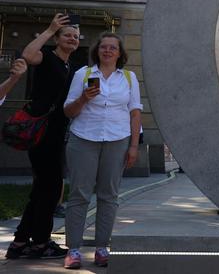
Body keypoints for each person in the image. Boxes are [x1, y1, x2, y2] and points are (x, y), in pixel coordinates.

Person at [62, 32, 142, 268]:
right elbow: (68, 111)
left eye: (112, 48)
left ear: (120, 53)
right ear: (97, 51)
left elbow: (135, 112)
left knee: (109, 196)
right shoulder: (83, 74)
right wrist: (84, 99)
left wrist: (134, 147)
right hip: (83, 138)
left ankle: (102, 248)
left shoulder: (128, 78)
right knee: (79, 195)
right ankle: (73, 250)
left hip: (117, 140)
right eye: (103, 47)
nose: (107, 51)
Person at [6, 14, 78, 260]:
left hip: (56, 132)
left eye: (76, 37)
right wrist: (49, 29)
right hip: (42, 131)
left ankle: (20, 242)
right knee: (50, 187)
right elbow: (27, 55)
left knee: (42, 188)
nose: (72, 39)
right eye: (67, 35)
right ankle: (40, 242)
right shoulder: (46, 56)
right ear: (57, 38)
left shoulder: (71, 66)